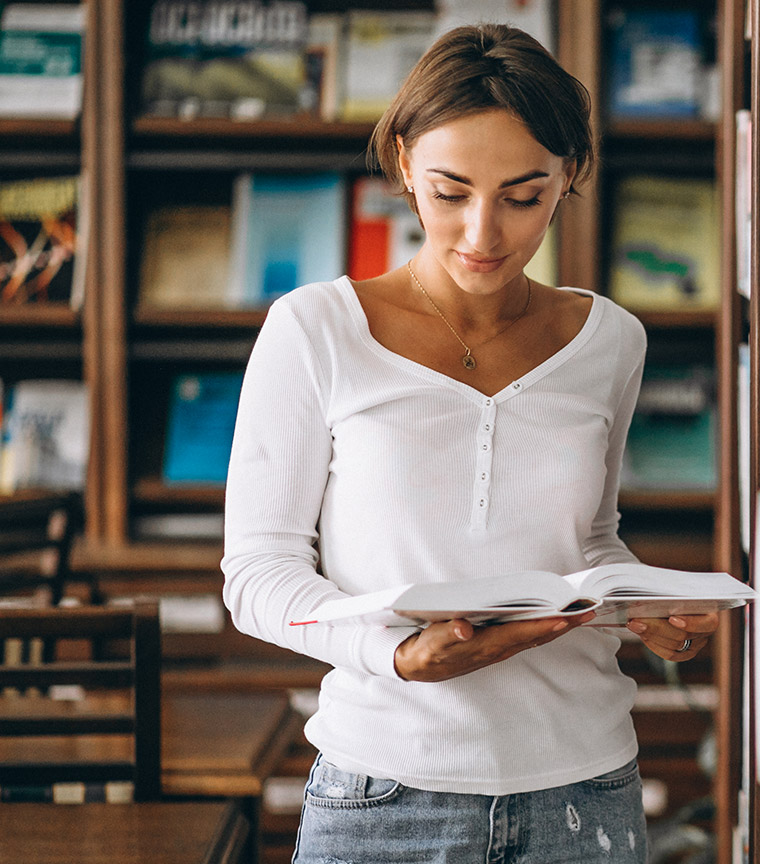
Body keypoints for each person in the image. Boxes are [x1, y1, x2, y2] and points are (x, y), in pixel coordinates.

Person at [221, 24, 717, 864]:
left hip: (585, 786)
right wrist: (395, 656)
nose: (483, 233)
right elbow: (257, 576)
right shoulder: (315, 329)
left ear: (571, 176)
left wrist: (637, 606)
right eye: (451, 192)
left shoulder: (610, 340)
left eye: (524, 197)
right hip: (383, 792)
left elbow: (587, 538)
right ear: (406, 163)